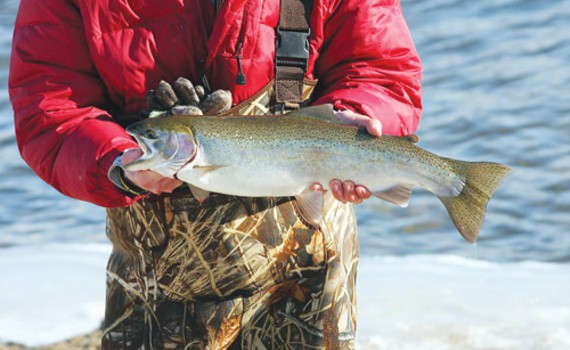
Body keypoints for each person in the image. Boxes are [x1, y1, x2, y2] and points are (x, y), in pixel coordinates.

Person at [9, 0, 422, 348]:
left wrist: (362, 121)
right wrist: (118, 163)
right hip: (158, 287)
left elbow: (381, 69)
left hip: (310, 276)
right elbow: (49, 110)